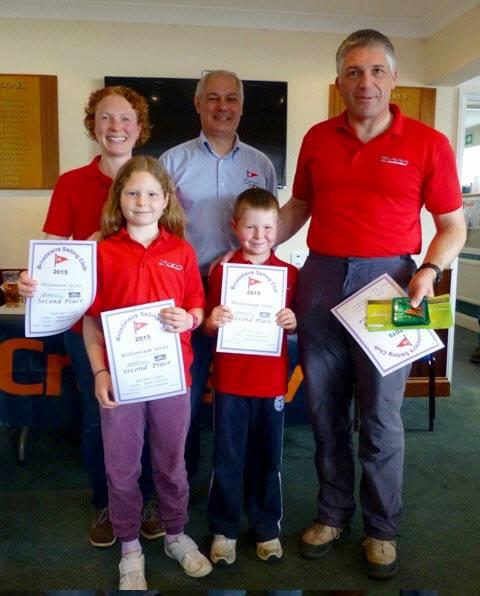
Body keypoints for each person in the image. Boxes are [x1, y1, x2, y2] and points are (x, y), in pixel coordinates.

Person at [276, 29, 466, 579]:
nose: (366, 82)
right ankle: (333, 515)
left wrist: (429, 270)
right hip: (320, 279)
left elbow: (453, 225)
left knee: (380, 417)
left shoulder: (428, 143)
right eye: (354, 72)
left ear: (393, 78)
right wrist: (253, 246)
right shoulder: (317, 137)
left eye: (377, 71)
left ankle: (382, 529)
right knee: (323, 411)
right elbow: (300, 206)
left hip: (390, 286)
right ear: (339, 82)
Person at [18, 86, 163, 547]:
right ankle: (106, 502)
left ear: (139, 128)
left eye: (124, 119)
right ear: (93, 126)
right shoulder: (72, 183)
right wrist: (31, 282)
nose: (115, 127)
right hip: (91, 324)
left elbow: (173, 245)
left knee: (151, 416)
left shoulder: (157, 180)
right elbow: (52, 251)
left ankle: (147, 501)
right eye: (105, 118)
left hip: (147, 321)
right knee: (99, 414)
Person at [83, 155, 212, 589]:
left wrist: (190, 319)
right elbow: (91, 320)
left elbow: (196, 304)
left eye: (152, 193)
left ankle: (175, 534)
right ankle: (129, 546)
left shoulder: (181, 250)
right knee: (120, 467)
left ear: (166, 201)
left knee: (172, 464)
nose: (142, 201)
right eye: (133, 192)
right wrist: (100, 372)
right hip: (120, 380)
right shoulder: (101, 251)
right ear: (119, 199)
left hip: (172, 379)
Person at [160, 69, 277, 479]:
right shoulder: (171, 161)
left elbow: (268, 228)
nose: (222, 106)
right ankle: (180, 485)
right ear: (198, 104)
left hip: (240, 297)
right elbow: (156, 231)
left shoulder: (260, 164)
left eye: (231, 99)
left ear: (242, 107)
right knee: (185, 397)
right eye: (213, 98)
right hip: (186, 293)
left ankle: (236, 483)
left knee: (237, 397)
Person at [204, 188, 297, 565]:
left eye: (268, 228)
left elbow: (294, 324)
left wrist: (293, 322)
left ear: (277, 229)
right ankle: (224, 529)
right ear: (235, 227)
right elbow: (208, 325)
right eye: (251, 227)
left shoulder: (290, 274)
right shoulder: (221, 272)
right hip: (229, 382)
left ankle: (266, 527)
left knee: (267, 458)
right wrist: (212, 321)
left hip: (270, 384)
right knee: (227, 455)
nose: (259, 236)